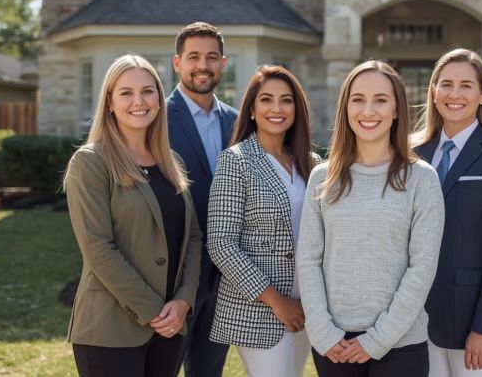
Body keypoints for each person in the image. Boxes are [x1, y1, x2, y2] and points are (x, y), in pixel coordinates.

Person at [297, 61, 445, 376]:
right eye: (358, 99)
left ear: (396, 110)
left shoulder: (422, 179)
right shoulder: (323, 177)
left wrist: (376, 340)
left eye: (380, 100)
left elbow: (422, 268)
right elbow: (309, 259)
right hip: (334, 343)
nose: (368, 110)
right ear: (345, 108)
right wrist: (322, 331)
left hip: (401, 344)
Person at [63, 54, 202, 376]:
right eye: (126, 92)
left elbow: (193, 237)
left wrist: (183, 301)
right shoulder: (91, 162)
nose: (138, 101)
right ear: (109, 102)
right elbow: (98, 247)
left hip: (170, 324)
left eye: (147, 91)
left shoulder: (171, 161)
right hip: (110, 327)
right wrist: (154, 311)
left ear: (159, 99)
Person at [413, 48, 482, 377]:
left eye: (466, 85)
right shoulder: (411, 154)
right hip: (414, 318)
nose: (454, 94)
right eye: (446, 84)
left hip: (472, 322)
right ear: (433, 91)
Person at [206, 65, 319, 376]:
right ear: (252, 109)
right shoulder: (235, 162)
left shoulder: (313, 165)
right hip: (260, 309)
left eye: (286, 100)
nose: (277, 108)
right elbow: (221, 243)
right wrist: (276, 300)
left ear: (297, 108)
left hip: (308, 307)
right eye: (267, 100)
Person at [166, 22, 238, 376]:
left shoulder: (238, 123)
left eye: (211, 57)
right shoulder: (156, 119)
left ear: (223, 64)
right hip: (173, 273)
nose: (203, 65)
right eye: (193, 57)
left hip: (225, 278)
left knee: (209, 370)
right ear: (177, 63)